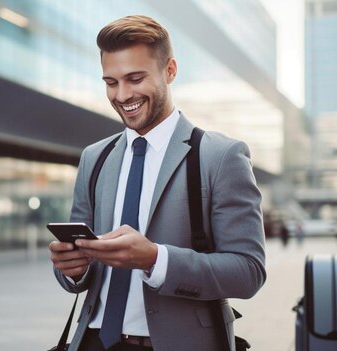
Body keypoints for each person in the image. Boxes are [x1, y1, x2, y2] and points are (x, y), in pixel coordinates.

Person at [48, 15, 266, 351]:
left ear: (170, 70)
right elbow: (79, 275)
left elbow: (248, 271)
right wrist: (73, 269)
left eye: (135, 78)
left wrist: (154, 259)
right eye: (111, 82)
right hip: (92, 341)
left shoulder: (220, 156)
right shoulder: (95, 157)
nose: (122, 95)